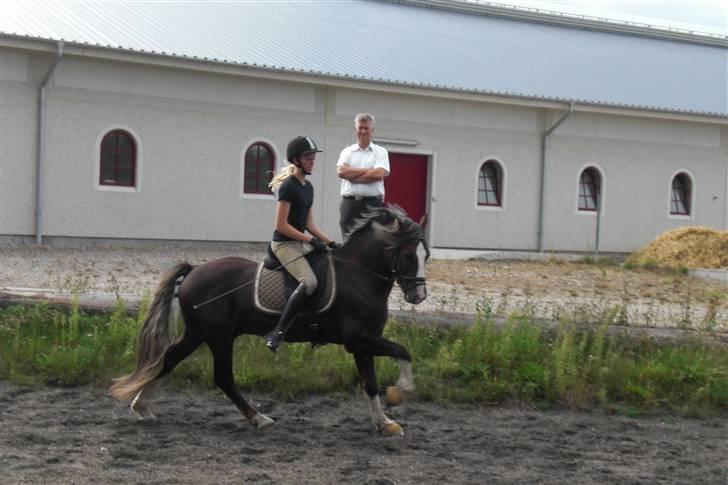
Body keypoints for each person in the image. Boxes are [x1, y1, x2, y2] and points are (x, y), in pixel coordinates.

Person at [265, 136, 336, 352]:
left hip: (300, 243)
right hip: (284, 245)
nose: (313, 160)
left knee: (327, 270)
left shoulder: (308, 187)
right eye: (308, 157)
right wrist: (311, 240)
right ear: (296, 159)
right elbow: (282, 225)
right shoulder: (288, 187)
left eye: (313, 157)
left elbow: (309, 224)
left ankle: (315, 326)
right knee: (310, 282)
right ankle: (277, 331)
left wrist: (330, 242)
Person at [336, 113, 390, 241]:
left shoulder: (381, 152)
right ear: (355, 129)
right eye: (360, 127)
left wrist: (353, 176)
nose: (363, 131)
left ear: (372, 130)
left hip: (373, 204)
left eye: (366, 128)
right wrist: (369, 171)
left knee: (373, 242)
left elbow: (379, 174)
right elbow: (341, 172)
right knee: (348, 242)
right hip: (350, 204)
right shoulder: (347, 152)